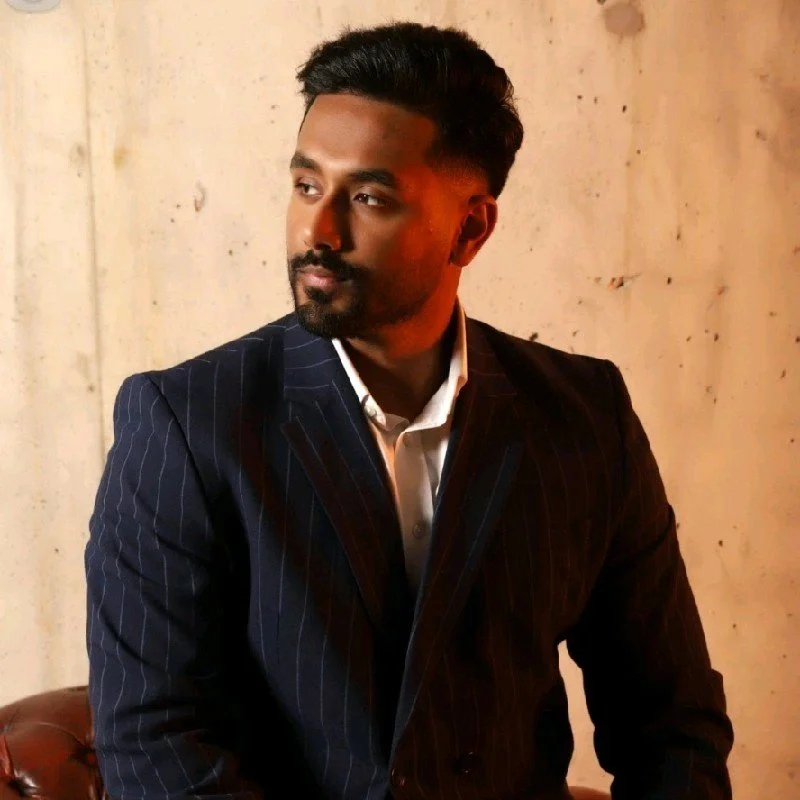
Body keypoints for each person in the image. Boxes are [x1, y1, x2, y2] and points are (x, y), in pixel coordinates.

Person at [85, 22, 733, 800]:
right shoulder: (189, 424)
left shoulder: (584, 419)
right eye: (304, 185)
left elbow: (671, 723)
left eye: (367, 197)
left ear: (471, 226)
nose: (317, 231)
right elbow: (157, 744)